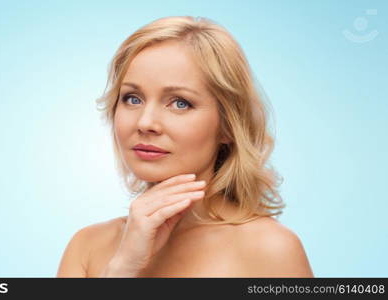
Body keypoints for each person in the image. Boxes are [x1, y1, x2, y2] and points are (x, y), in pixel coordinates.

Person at [57, 16, 313, 277]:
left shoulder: (270, 250)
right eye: (132, 98)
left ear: (227, 126)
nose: (145, 123)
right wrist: (122, 268)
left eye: (180, 103)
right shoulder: (87, 247)